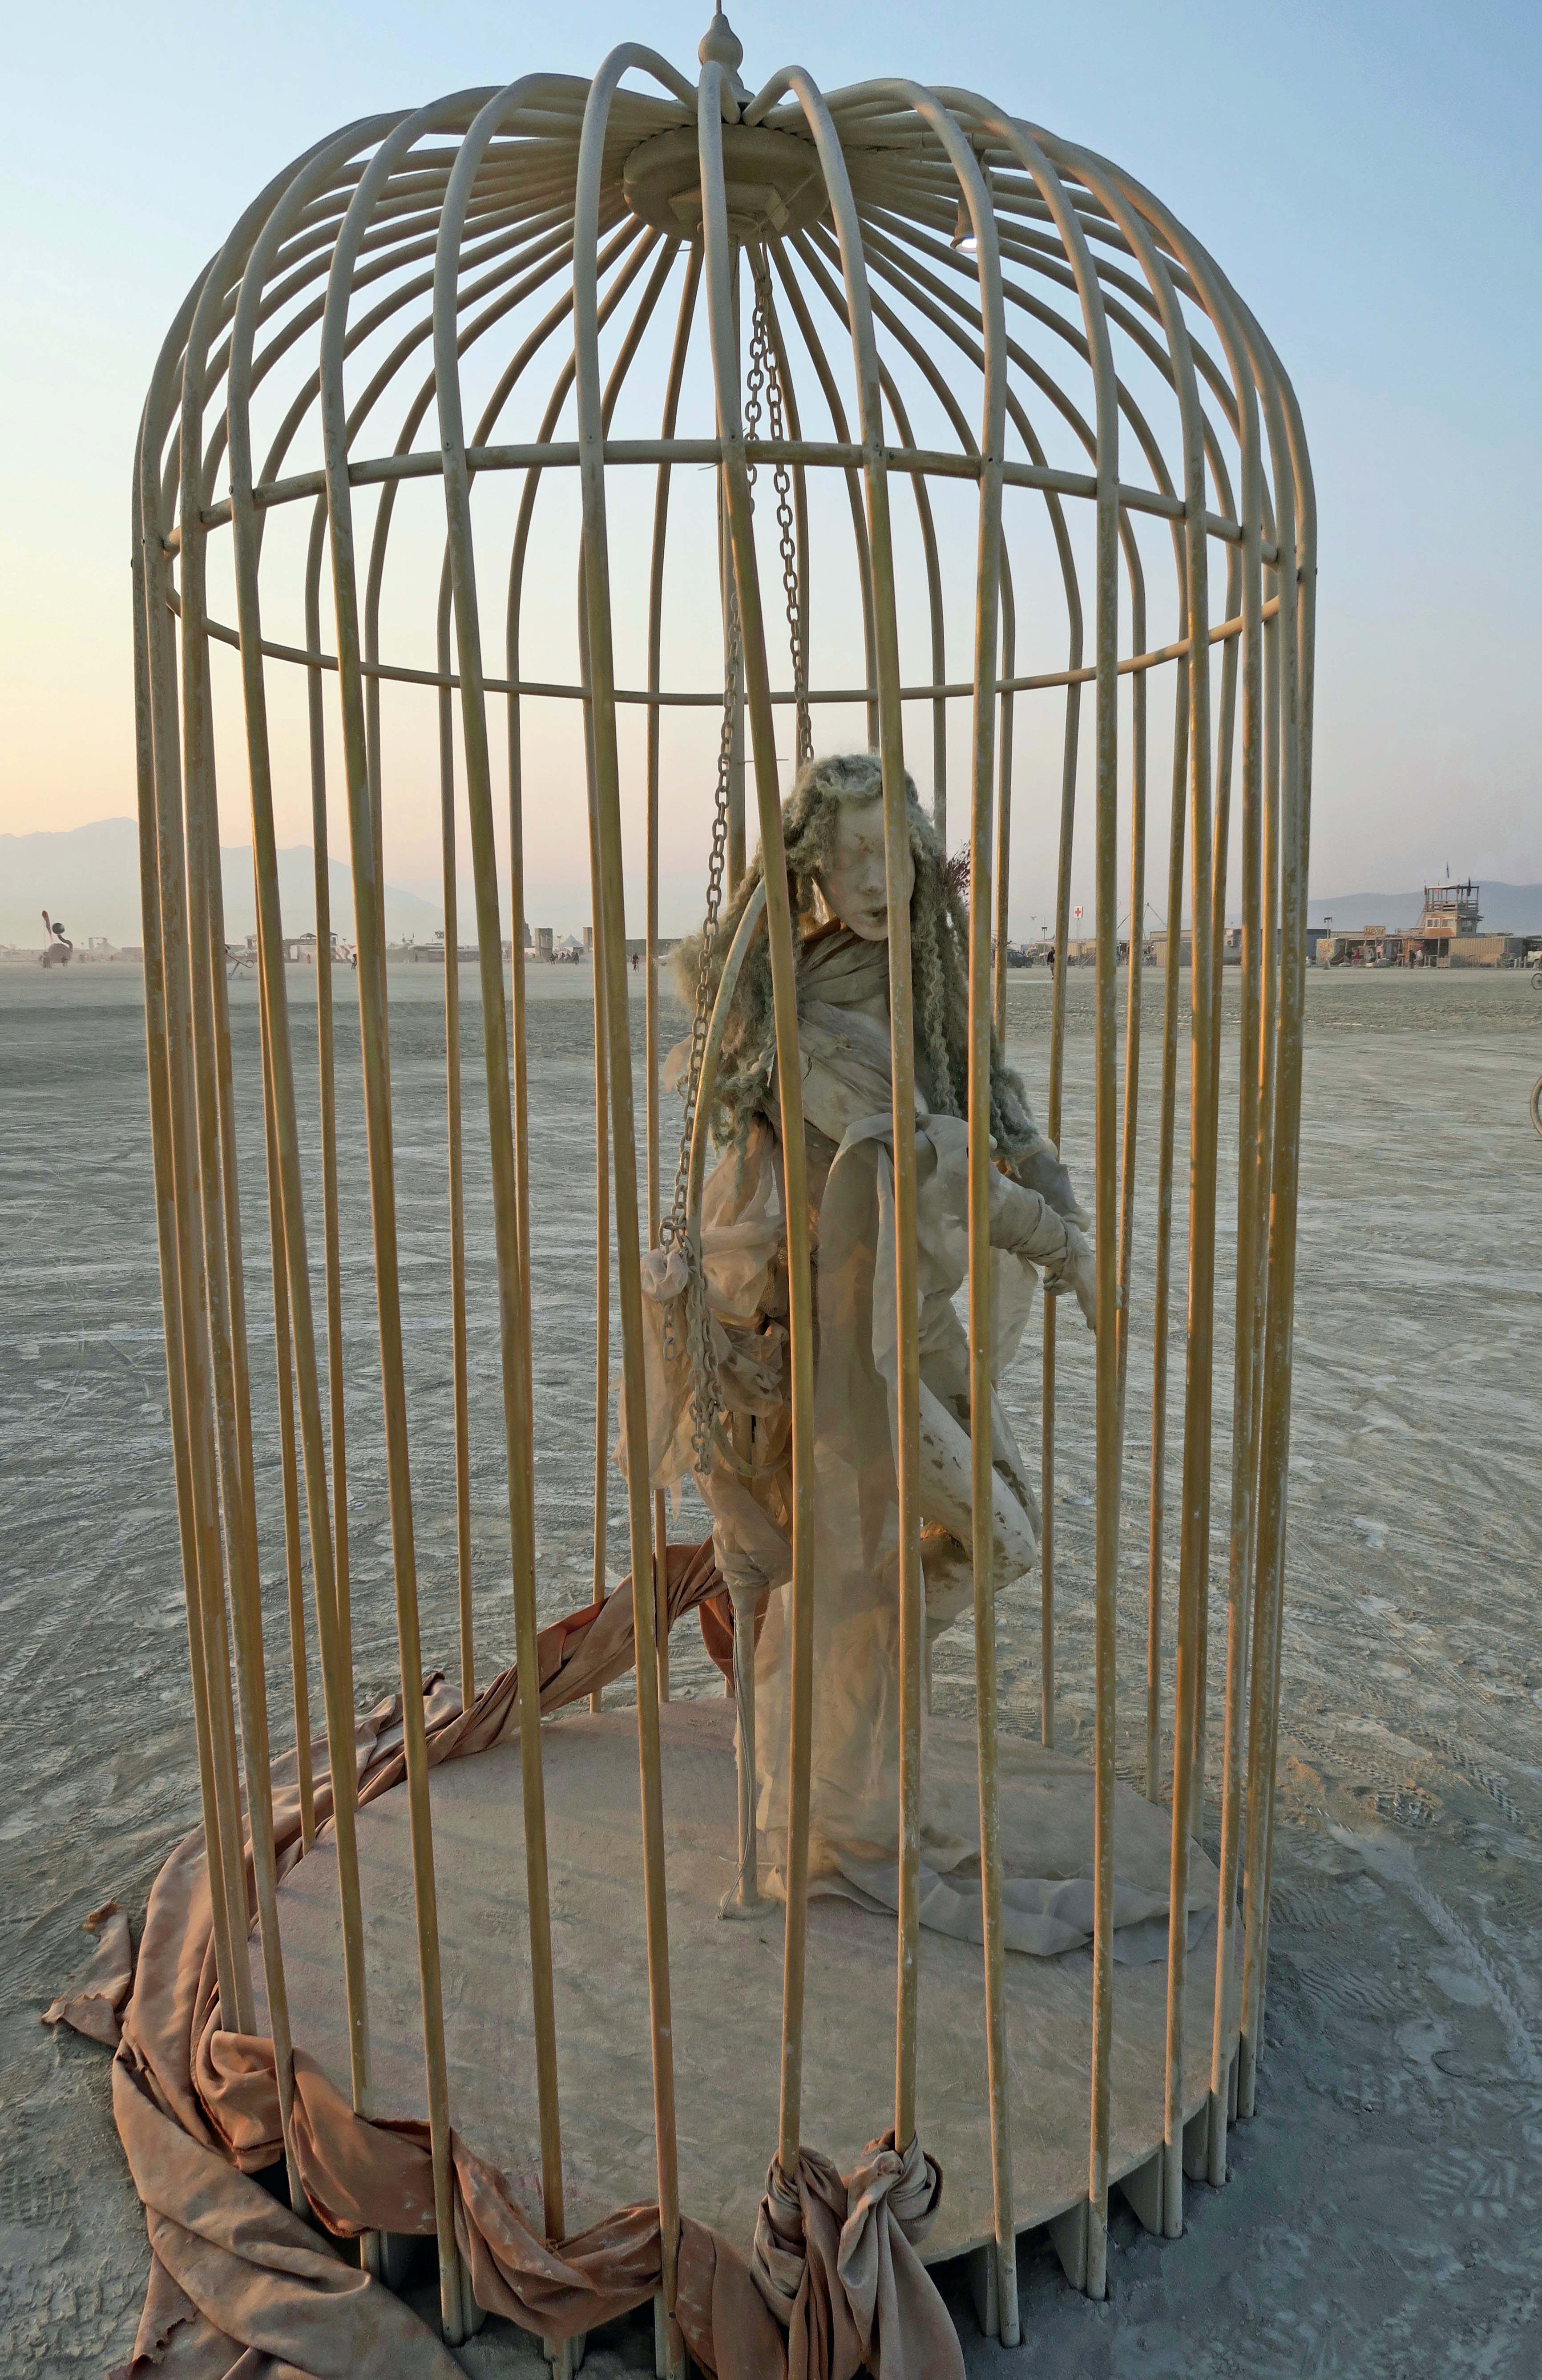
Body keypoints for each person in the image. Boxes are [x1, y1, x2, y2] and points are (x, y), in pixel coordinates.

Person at [629, 752, 1222, 1965]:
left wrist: (1069, 1215)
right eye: (842, 857)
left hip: (915, 1321)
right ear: (807, 866)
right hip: (833, 1347)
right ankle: (827, 1752)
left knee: (974, 1549)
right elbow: (919, 1155)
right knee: (998, 1542)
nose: (868, 881)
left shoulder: (927, 984)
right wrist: (1062, 1247)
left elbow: (995, 1117)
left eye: (887, 857)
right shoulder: (789, 1013)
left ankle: (842, 1726)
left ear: (918, 861)